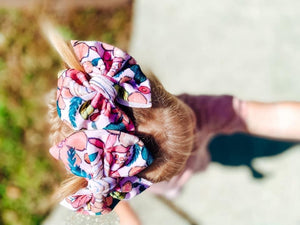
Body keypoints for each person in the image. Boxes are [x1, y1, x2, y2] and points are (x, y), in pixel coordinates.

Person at [44, 25, 300, 225]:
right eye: (182, 159)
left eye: (188, 120)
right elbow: (117, 204)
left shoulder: (202, 110)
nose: (196, 138)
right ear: (129, 181)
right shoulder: (108, 175)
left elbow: (270, 116)